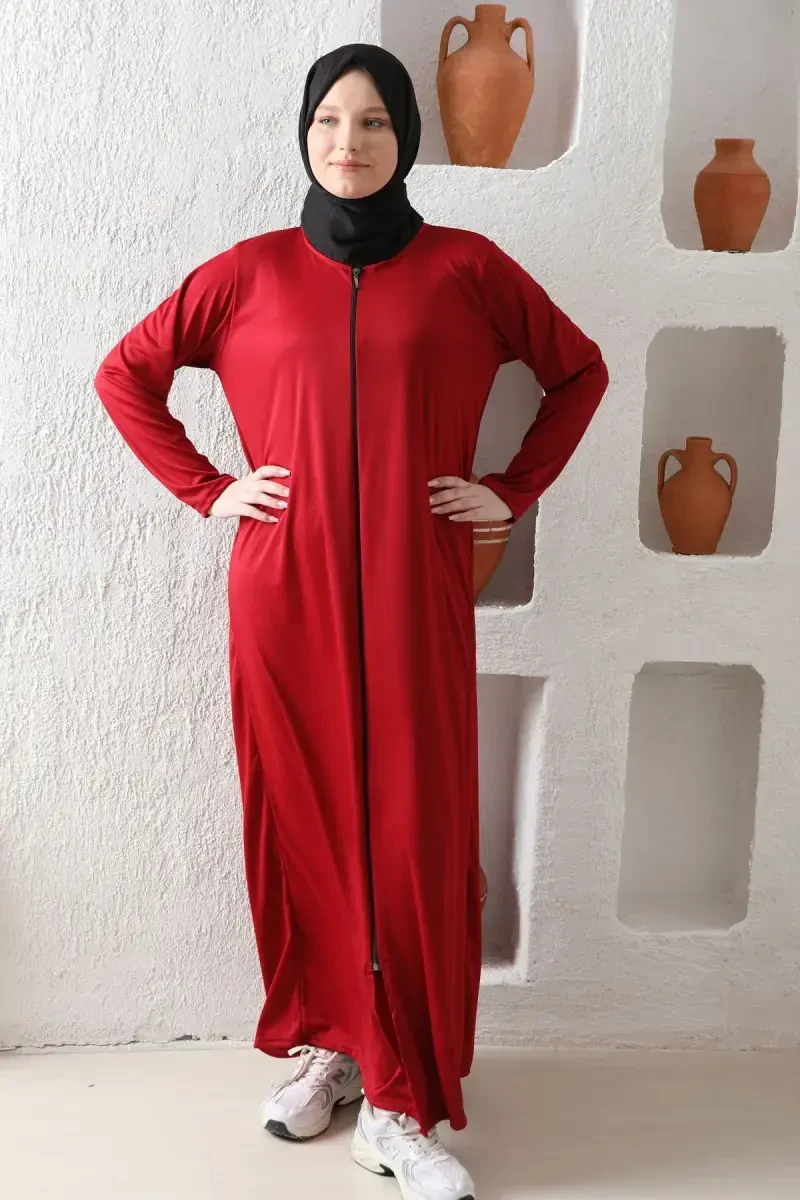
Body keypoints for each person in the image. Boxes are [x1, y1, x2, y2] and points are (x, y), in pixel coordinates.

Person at [94, 41, 608, 1200]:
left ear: (405, 137)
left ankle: (399, 1096)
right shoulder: (248, 274)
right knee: (304, 818)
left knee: (414, 830)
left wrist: (510, 489)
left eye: (373, 121)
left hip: (417, 587)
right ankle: (333, 1044)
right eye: (330, 119)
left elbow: (576, 373)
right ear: (303, 133)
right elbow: (126, 375)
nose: (349, 142)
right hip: (281, 590)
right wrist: (209, 488)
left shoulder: (467, 269)